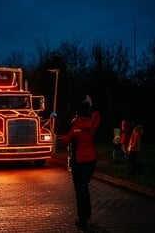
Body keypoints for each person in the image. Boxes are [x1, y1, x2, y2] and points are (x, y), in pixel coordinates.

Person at [61, 99, 101, 231]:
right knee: (85, 188)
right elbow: (97, 117)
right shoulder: (92, 125)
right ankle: (87, 215)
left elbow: (66, 140)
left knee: (80, 191)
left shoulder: (74, 127)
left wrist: (63, 131)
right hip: (91, 162)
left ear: (77, 114)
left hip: (79, 163)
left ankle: (82, 218)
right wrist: (91, 104)